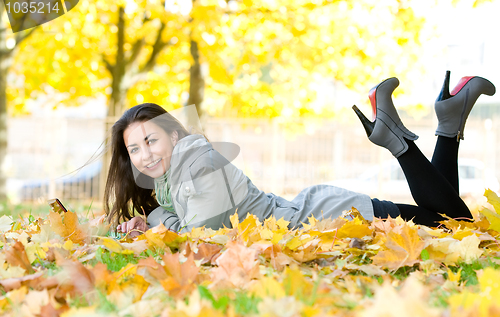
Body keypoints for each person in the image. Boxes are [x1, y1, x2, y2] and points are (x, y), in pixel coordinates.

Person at [106, 71, 495, 237]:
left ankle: (398, 140)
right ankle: (450, 119)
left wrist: (157, 218)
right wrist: (155, 216)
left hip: (329, 220)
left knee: (455, 223)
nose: (144, 155)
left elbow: (203, 240)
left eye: (151, 141)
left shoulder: (199, 164)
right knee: (452, 221)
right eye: (134, 148)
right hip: (319, 216)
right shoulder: (173, 178)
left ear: (175, 135)